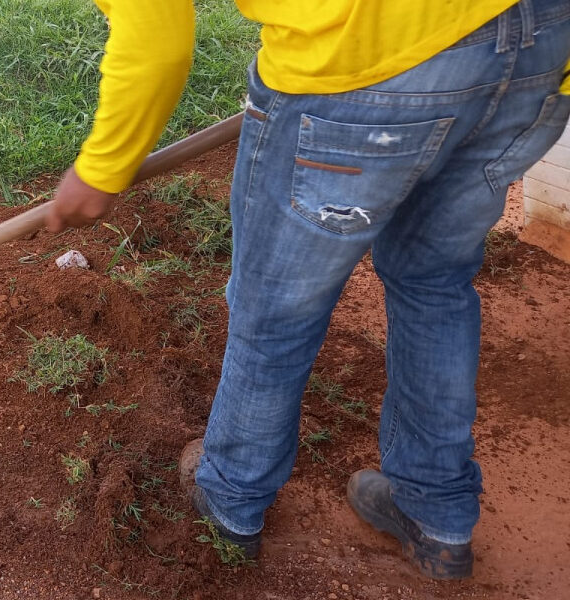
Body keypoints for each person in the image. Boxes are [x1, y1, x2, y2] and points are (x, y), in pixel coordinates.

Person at [46, 0, 570, 580]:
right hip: (537, 45)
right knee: (435, 284)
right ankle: (438, 513)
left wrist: (102, 169)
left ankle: (231, 498)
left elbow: (158, 43)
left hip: (363, 63)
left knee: (276, 310)